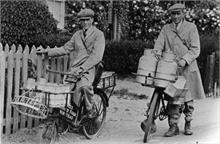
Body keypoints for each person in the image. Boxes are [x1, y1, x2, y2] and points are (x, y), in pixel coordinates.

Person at [141, 3, 205, 137]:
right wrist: (157, 51)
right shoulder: (166, 28)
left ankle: (188, 123)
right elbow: (159, 43)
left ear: (183, 13)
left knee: (188, 99)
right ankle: (173, 125)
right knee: (173, 97)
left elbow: (195, 49)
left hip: (187, 68)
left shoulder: (191, 28)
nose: (175, 16)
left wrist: (185, 59)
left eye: (178, 13)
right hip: (170, 68)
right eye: (173, 14)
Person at [37, 8, 105, 118]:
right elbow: (65, 49)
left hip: (90, 69)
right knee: (67, 91)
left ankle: (90, 109)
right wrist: (47, 51)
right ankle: (74, 113)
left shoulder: (99, 35)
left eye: (87, 20)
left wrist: (83, 68)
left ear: (92, 20)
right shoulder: (77, 35)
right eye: (82, 20)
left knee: (84, 87)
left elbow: (96, 56)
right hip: (74, 69)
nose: (85, 23)